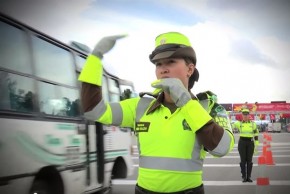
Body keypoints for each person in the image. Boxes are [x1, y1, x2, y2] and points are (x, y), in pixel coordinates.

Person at [78, 32, 234, 194]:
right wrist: (95, 59)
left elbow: (222, 148)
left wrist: (186, 102)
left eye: (171, 62)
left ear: (190, 69)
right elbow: (93, 111)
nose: (163, 69)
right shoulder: (139, 106)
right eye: (158, 64)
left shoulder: (209, 107)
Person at [234, 107, 259, 182]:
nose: (245, 116)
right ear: (242, 115)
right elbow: (231, 124)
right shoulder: (239, 123)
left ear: (249, 115)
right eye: (244, 115)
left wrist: (256, 144)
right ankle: (244, 176)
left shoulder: (253, 124)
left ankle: (249, 177)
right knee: (243, 160)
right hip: (242, 143)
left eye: (246, 115)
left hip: (250, 143)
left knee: (249, 161)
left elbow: (256, 133)